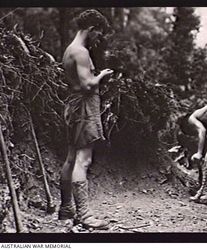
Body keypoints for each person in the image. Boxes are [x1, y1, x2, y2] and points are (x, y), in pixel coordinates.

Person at [58, 9, 113, 229]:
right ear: (91, 29)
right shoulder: (80, 52)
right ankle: (84, 215)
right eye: (98, 34)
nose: (98, 38)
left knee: (71, 158)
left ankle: (66, 209)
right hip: (83, 107)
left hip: (74, 105)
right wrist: (102, 75)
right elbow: (87, 85)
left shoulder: (70, 50)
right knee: (83, 159)